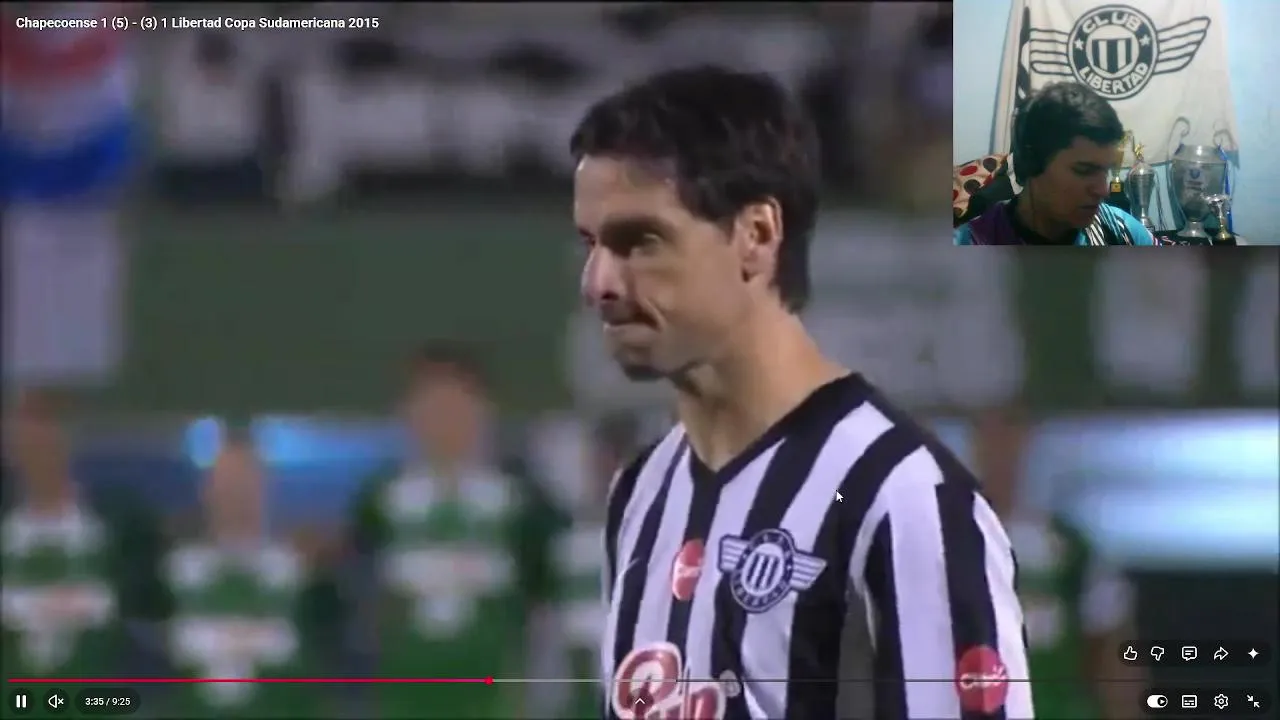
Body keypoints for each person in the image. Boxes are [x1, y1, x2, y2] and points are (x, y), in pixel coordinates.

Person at [572, 64, 1035, 720]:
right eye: (591, 244)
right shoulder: (640, 493)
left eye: (640, 242)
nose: (599, 283)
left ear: (757, 235)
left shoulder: (899, 495)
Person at [344, 344, 557, 719]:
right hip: (403, 698)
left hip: (494, 698)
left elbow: (544, 603)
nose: (444, 421)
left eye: (456, 405)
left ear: (483, 411)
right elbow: (357, 599)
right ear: (407, 414)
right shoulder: (380, 500)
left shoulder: (520, 501)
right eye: (431, 406)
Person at [971, 408, 1144, 719]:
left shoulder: (1071, 548)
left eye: (1008, 437)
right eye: (990, 438)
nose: (1000, 452)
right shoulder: (942, 544)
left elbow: (1112, 650)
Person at [1, 388, 170, 681]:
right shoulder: (9, 528)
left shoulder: (119, 522)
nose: (37, 450)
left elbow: (151, 604)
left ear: (66, 440)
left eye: (46, 436)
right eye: (26, 439)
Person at [162, 430, 330, 717]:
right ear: (207, 492)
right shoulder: (180, 570)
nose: (236, 495)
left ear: (264, 490)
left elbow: (308, 659)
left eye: (245, 484)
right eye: (226, 484)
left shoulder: (294, 572)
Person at [955, 82, 1157, 246]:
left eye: (1104, 171)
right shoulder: (970, 243)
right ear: (1032, 163)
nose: (1103, 190)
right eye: (1084, 170)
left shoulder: (1121, 230)